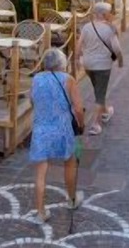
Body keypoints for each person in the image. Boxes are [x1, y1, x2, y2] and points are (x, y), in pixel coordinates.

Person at [29, 48, 84, 222]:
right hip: (62, 128)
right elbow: (78, 108)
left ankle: (40, 212)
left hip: (41, 129)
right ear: (62, 63)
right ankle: (72, 199)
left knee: (40, 172)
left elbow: (32, 101)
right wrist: (81, 124)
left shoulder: (36, 79)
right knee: (70, 162)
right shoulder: (68, 79)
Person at [74, 2, 122, 135]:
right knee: (100, 94)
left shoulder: (86, 27)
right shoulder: (110, 29)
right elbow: (117, 48)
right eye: (110, 12)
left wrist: (76, 59)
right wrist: (120, 60)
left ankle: (105, 111)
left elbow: (79, 44)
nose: (112, 14)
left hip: (88, 64)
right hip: (102, 65)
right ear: (105, 14)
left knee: (98, 89)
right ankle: (95, 124)